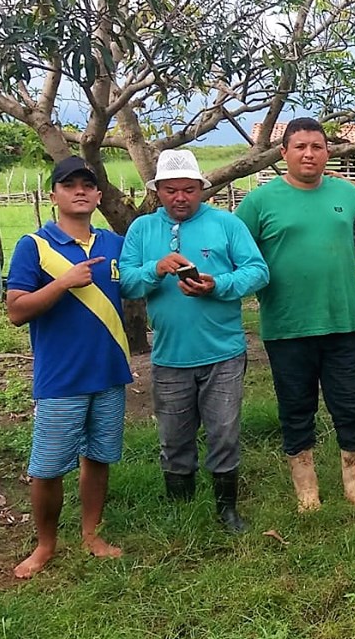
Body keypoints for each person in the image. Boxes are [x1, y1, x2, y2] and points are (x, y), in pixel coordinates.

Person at [236, 117, 355, 512]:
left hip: (341, 322)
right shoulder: (260, 201)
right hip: (286, 325)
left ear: (327, 152)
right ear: (284, 153)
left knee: (349, 406)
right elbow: (235, 246)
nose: (309, 153)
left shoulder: (344, 192)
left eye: (317, 147)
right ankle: (307, 491)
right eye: (301, 146)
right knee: (295, 407)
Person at [120, 149, 269, 532]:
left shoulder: (226, 224)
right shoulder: (141, 230)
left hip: (223, 351)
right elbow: (127, 283)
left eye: (189, 189)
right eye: (172, 191)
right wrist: (156, 268)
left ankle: (227, 508)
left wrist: (216, 285)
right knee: (173, 436)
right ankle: (181, 510)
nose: (181, 198)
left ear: (202, 189)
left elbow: (257, 272)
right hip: (170, 355)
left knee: (223, 432)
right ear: (158, 191)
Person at [6, 156, 133, 578]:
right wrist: (62, 282)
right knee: (47, 467)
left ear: (98, 195)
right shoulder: (35, 246)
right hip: (61, 377)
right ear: (54, 194)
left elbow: (138, 282)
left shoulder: (114, 244)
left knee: (98, 458)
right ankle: (45, 545)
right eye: (69, 184)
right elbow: (16, 311)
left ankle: (91, 533)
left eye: (87, 184)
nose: (79, 190)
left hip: (110, 371)